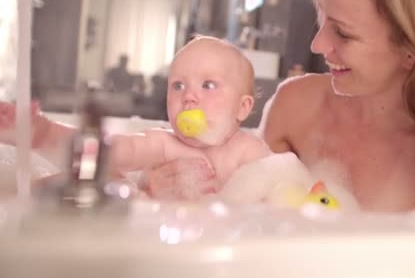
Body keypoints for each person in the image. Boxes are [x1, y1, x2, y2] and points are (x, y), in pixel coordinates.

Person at [148, 0, 415, 214]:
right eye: (322, 16)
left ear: (412, 49)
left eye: (342, 31)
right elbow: (238, 223)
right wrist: (159, 193)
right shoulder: (297, 109)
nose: (317, 45)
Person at [0, 36, 272, 200]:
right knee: (100, 179)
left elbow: (279, 196)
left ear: (242, 108)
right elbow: (106, 151)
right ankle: (16, 200)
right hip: (164, 238)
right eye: (178, 85)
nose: (189, 97)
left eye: (208, 85)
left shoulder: (250, 152)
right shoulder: (163, 144)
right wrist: (42, 132)